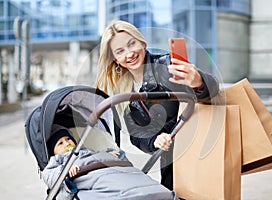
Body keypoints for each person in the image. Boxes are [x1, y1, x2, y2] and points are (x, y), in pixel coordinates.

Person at [94, 20, 220, 190]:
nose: (129, 53)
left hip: (200, 151)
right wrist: (155, 140)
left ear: (142, 42)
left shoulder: (166, 65)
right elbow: (136, 134)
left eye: (132, 44)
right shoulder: (124, 90)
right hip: (171, 165)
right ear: (115, 59)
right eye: (120, 51)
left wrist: (198, 82)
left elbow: (212, 90)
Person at [43, 125, 178, 200]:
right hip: (87, 176)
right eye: (60, 143)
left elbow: (104, 156)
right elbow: (48, 174)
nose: (66, 143)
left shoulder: (87, 151)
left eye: (68, 139)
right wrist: (64, 172)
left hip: (113, 170)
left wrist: (114, 155)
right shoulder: (58, 161)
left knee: (145, 185)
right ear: (53, 152)